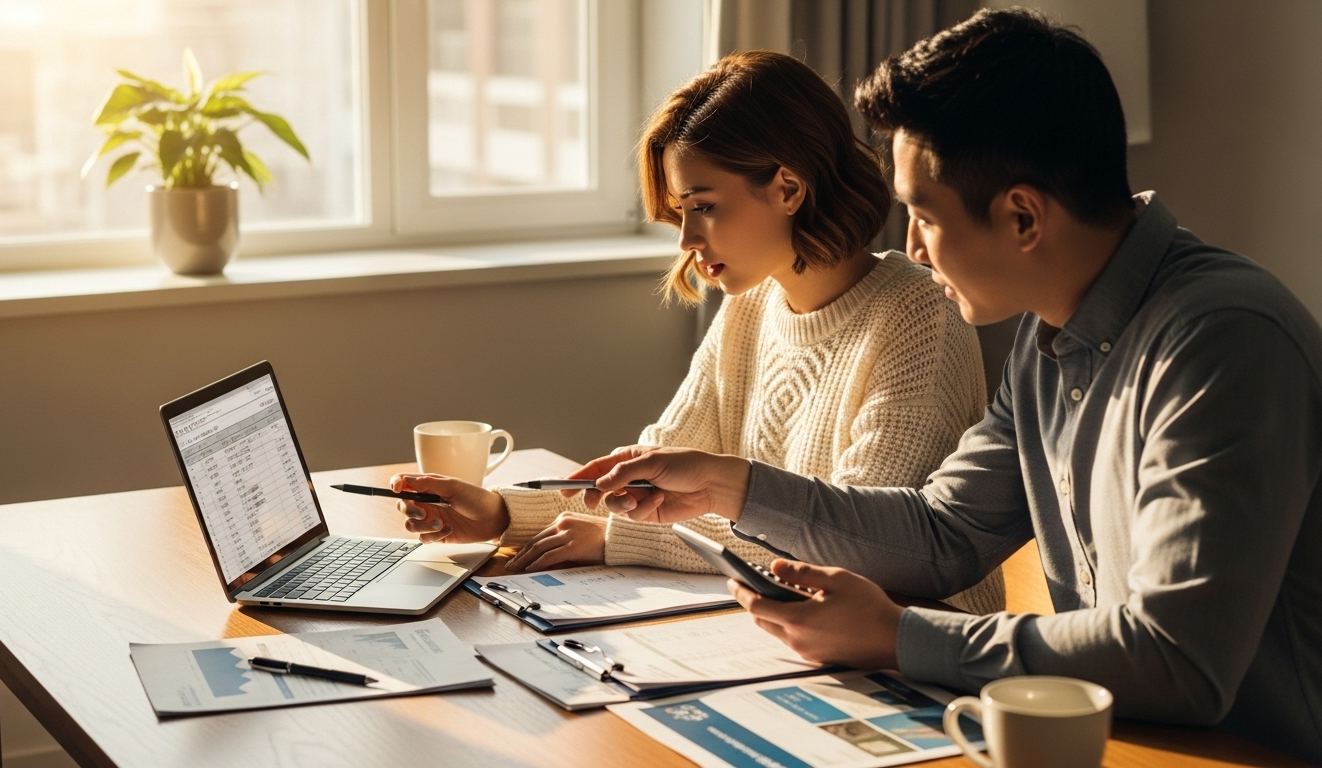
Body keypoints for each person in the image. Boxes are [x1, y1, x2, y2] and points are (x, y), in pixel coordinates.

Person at [552, 9, 1322, 763]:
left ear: (1023, 216)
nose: (912, 248)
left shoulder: (1223, 340)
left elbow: (1176, 660)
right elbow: (943, 534)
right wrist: (734, 488)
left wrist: (899, 636)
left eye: (922, 214)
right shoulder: (1046, 341)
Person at [392, 50, 1005, 615]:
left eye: (703, 205)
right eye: (680, 212)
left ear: (788, 188)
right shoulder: (752, 304)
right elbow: (647, 479)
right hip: (786, 625)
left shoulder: (920, 315)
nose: (686, 239)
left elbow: (853, 544)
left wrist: (619, 538)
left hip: (918, 653)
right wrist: (501, 512)